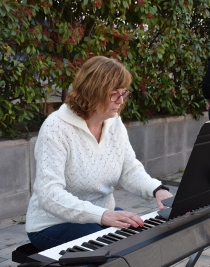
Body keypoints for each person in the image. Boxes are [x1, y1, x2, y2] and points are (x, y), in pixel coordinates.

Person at [25, 56, 173, 251]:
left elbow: (129, 170)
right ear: (93, 92)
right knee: (113, 254)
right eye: (114, 94)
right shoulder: (56, 127)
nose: (121, 100)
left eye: (124, 93)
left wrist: (157, 190)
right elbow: (49, 194)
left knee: (147, 244)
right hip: (52, 223)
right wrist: (102, 215)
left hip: (101, 215)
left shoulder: (114, 123)